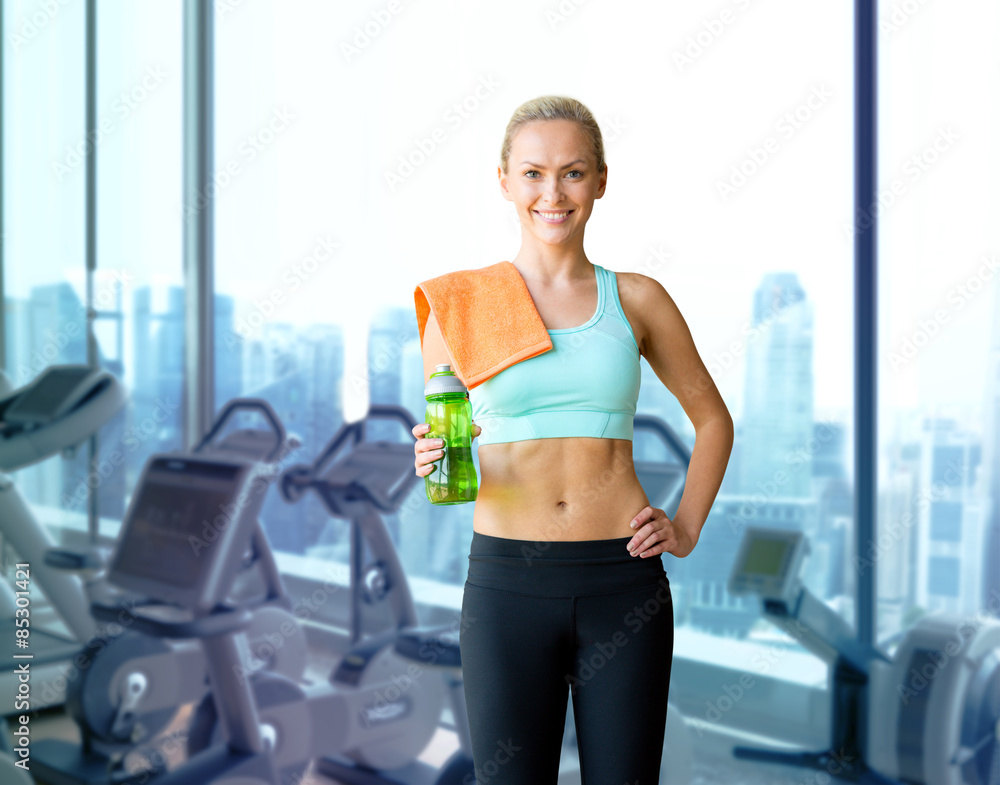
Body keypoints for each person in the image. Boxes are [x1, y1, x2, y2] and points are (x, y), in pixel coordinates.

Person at [412, 95, 734, 784]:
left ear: (601, 180)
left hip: (623, 581)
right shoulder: (458, 306)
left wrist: (686, 526)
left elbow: (713, 418)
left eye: (573, 173)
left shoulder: (638, 299)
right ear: (503, 180)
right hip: (506, 587)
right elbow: (449, 430)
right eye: (532, 173)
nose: (551, 193)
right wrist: (429, 453)